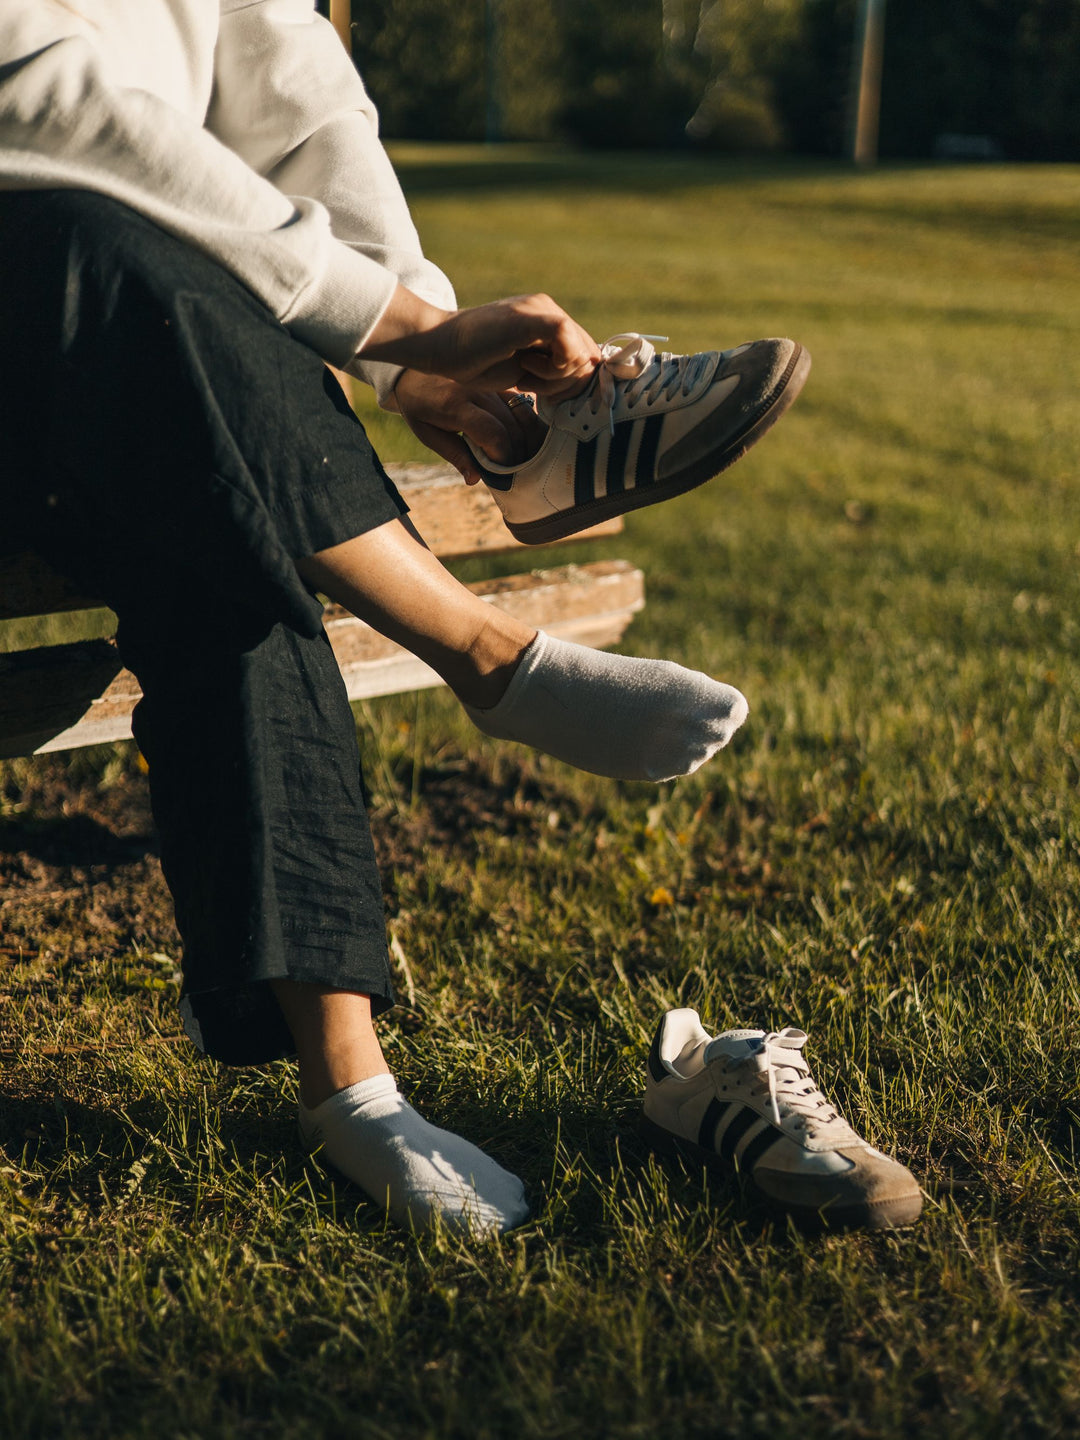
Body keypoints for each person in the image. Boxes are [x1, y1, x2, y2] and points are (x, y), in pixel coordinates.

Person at [0, 0, 920, 1234]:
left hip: (131, 389)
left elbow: (297, 99)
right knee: (98, 243)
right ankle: (484, 650)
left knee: (217, 516)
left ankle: (357, 1092)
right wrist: (406, 328)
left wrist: (424, 350)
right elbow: (34, 97)